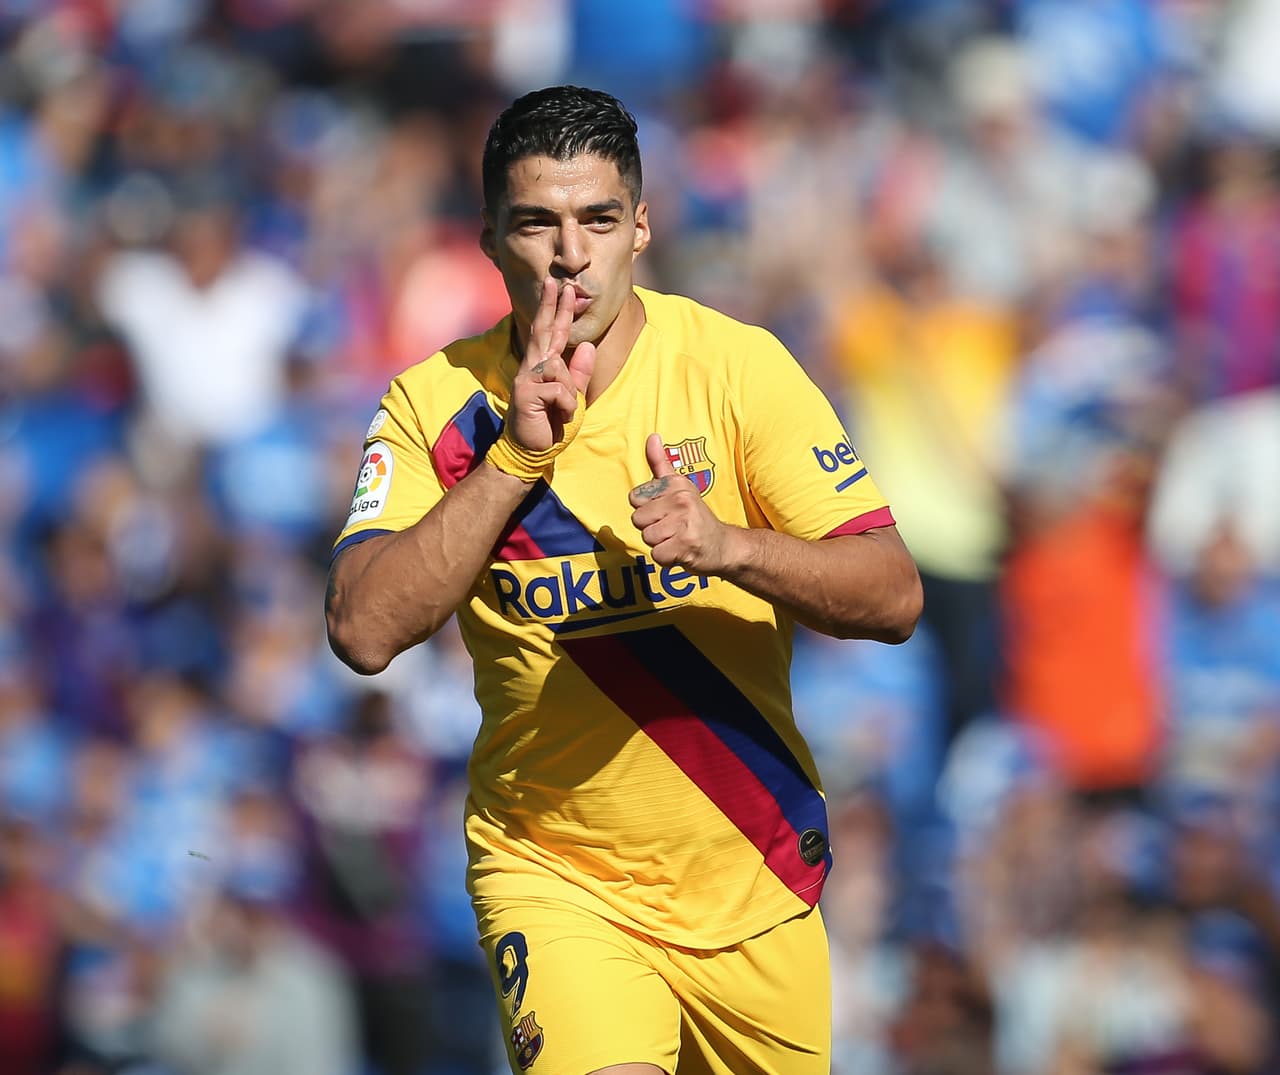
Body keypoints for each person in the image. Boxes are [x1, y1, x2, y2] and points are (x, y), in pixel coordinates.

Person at [325, 85, 922, 1075]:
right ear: (486, 240)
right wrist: (511, 462)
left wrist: (730, 545)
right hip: (555, 875)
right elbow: (361, 626)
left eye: (598, 218)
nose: (570, 254)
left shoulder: (737, 372)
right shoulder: (434, 405)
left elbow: (892, 593)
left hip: (750, 873)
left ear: (640, 225)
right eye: (537, 224)